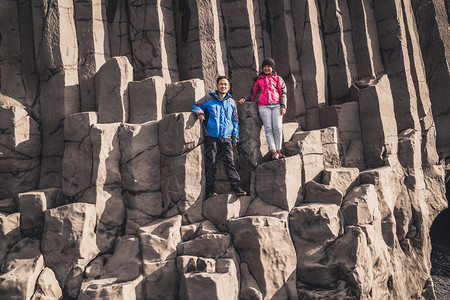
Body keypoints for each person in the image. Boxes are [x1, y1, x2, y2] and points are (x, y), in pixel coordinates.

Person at [192, 76, 247, 198]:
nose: (223, 86)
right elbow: (196, 106)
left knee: (230, 162)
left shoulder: (231, 102)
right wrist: (200, 113)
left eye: (225, 85)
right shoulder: (209, 98)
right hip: (211, 137)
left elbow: (235, 121)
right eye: (221, 84)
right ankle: (211, 190)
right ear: (217, 86)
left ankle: (236, 187)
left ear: (228, 87)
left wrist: (235, 137)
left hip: (227, 137)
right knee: (211, 163)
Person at [239, 58, 287, 160]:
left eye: (269, 66)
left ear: (272, 68)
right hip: (263, 106)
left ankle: (279, 150)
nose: (266, 68)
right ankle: (273, 151)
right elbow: (253, 93)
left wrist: (283, 106)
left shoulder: (278, 79)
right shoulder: (258, 80)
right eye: (265, 66)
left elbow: (283, 93)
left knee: (277, 128)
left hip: (276, 105)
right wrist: (245, 98)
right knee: (268, 128)